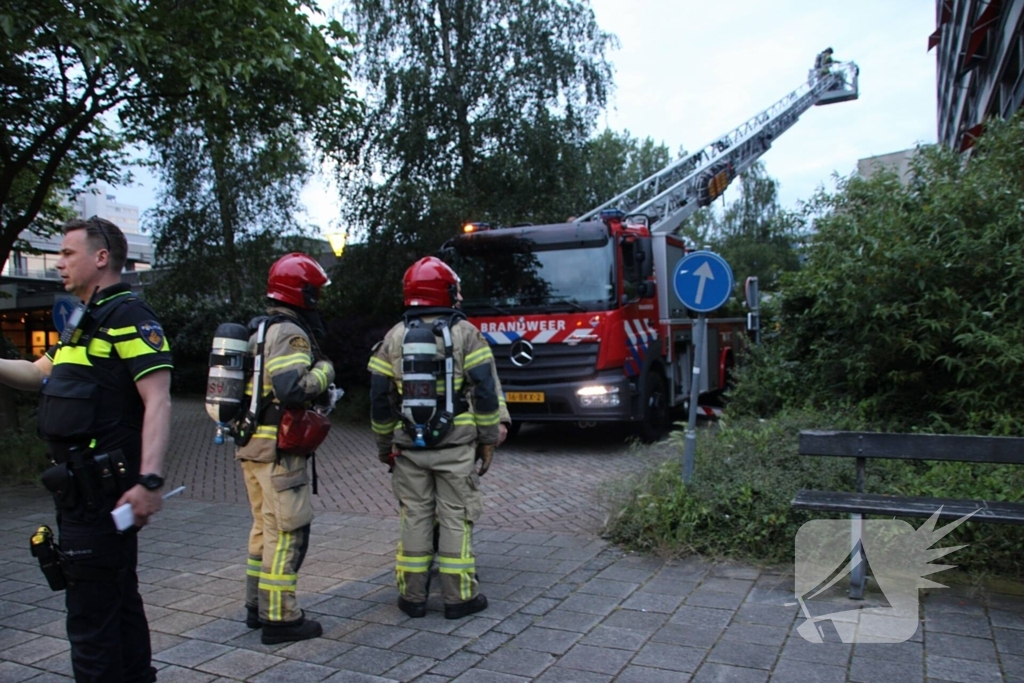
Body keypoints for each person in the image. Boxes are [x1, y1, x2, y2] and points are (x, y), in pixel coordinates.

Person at [0, 216, 172, 683]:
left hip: (101, 494)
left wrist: (149, 481)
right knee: (116, 603)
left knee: (92, 625)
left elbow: (157, 399)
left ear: (101, 258)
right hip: (79, 494)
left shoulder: (129, 317)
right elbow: (38, 374)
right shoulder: (82, 320)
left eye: (67, 253)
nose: (58, 263)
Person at [368, 256, 509, 620]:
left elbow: (380, 401)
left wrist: (386, 448)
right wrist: (488, 439)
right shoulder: (466, 333)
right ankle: (459, 597)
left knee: (414, 516)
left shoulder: (393, 337)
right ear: (446, 291)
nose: (458, 297)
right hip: (456, 446)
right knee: (455, 516)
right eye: (454, 290)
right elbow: (486, 392)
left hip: (408, 448)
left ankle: (412, 597)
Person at [236, 252, 336, 645]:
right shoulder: (289, 333)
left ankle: (255, 607)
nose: (318, 301)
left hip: (252, 448)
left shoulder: (257, 329)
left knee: (263, 529)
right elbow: (292, 389)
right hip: (280, 452)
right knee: (287, 533)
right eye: (316, 293)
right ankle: (281, 618)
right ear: (303, 293)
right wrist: (326, 371)